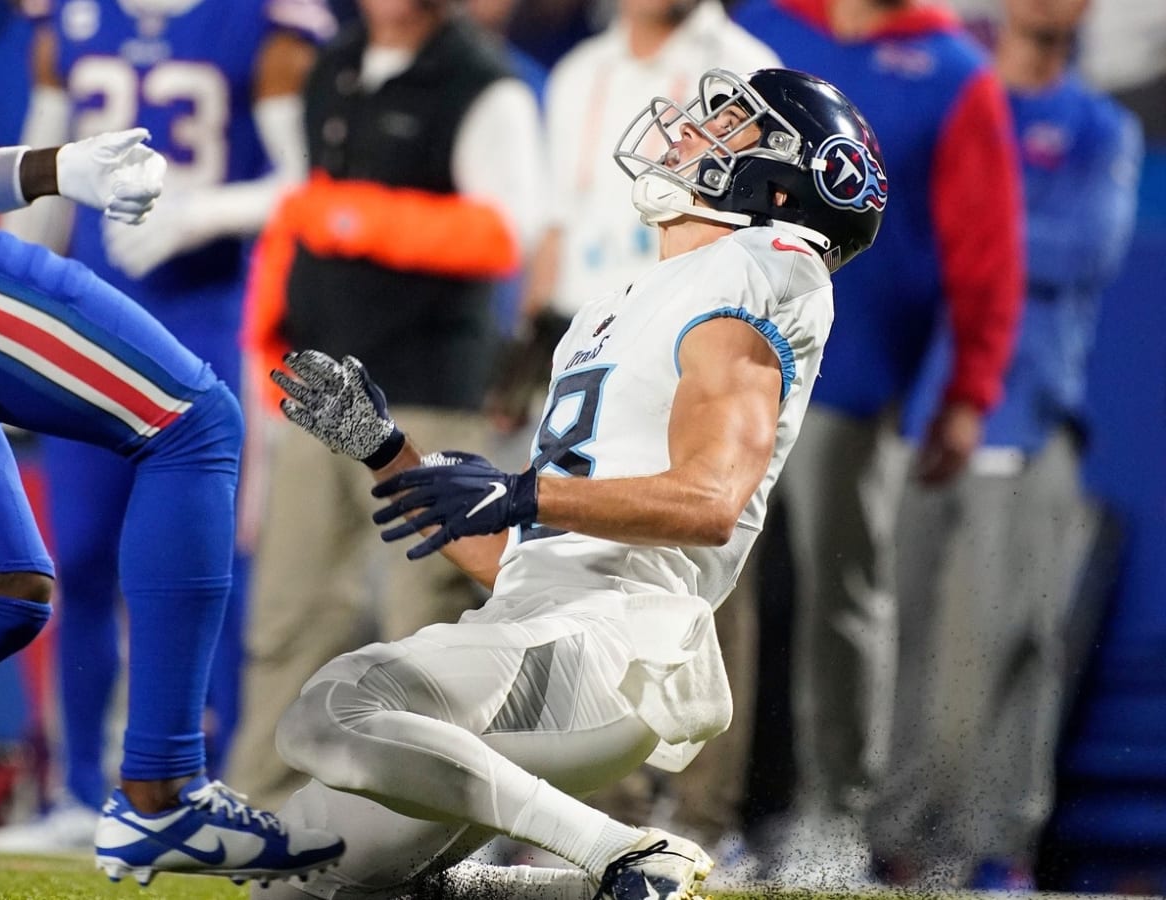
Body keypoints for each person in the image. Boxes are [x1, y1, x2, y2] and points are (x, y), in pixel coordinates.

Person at [254, 65, 888, 900]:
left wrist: (523, 491)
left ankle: (625, 852)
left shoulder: (764, 266)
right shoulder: (616, 305)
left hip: (618, 641)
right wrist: (386, 452)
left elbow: (710, 501)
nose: (693, 130)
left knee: (333, 704)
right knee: (295, 878)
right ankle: (586, 886)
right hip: (539, 632)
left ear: (783, 189)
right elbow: (523, 559)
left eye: (731, 126)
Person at [0, 0, 344, 885]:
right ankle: (161, 799)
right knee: (193, 423)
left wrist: (55, 168)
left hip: (199, 294)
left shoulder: (260, 26)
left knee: (4, 595)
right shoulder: (71, 24)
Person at [731, 0, 1025, 885]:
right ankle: (706, 807)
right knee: (707, 591)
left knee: (840, 600)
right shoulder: (757, 27)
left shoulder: (953, 70)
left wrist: (970, 391)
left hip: (852, 377)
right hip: (729, 353)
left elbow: (986, 247)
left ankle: (832, 814)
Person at [228, 0, 543, 813]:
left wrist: (358, 216)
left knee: (431, 625)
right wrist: (273, 333)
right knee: (293, 613)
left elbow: (507, 231)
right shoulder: (334, 63)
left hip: (432, 391)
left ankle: (436, 820)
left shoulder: (484, 83)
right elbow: (303, 221)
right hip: (323, 387)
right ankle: (266, 809)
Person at [485, 0, 779, 867]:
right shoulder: (580, 71)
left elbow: (763, 234)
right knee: (569, 564)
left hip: (696, 331)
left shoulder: (746, 65)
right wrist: (529, 332)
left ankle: (703, 817)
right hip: (588, 333)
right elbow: (558, 220)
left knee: (700, 571)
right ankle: (597, 816)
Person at [871, 0, 1144, 889]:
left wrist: (974, 224)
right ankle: (898, 844)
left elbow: (1083, 251)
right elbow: (903, 239)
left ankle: (995, 851)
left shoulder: (1099, 128)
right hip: (911, 412)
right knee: (895, 639)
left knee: (1011, 639)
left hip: (1027, 419)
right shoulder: (959, 102)